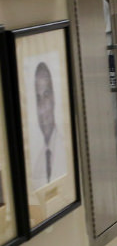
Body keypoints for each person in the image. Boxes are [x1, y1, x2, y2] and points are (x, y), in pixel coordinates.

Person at [31, 62, 67, 190]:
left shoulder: (68, 150)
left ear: (54, 99)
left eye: (46, 96)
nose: (42, 108)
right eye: (38, 98)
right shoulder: (37, 165)